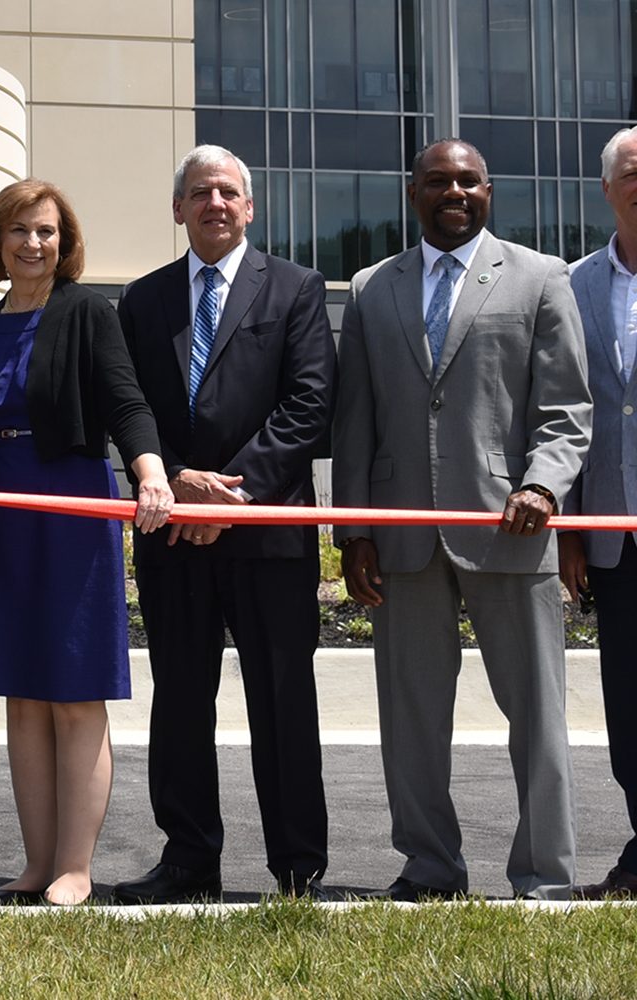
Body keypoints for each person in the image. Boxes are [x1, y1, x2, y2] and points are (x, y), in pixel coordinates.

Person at [333, 138, 589, 901]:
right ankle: (429, 868)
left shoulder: (542, 277)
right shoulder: (372, 287)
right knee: (411, 721)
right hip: (403, 537)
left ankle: (545, 877)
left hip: (514, 531)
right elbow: (355, 423)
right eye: (438, 181)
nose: (454, 192)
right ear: (412, 192)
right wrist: (353, 532)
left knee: (538, 717)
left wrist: (543, 487)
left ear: (490, 191)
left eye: (468, 181)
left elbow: (567, 409)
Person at [111, 145, 335, 904]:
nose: (215, 203)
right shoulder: (141, 302)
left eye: (228, 192)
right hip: (172, 528)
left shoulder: (299, 289)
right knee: (178, 697)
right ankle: (188, 859)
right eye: (200, 192)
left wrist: (229, 497)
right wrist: (174, 480)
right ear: (178, 209)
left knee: (282, 697)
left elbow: (308, 407)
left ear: (249, 208)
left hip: (267, 532)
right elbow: (129, 406)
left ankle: (298, 867)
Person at [0, 178, 173, 907]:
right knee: (23, 695)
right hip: (0, 509)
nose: (33, 243)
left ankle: (76, 867)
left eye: (46, 231)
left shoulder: (87, 312)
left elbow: (124, 400)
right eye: (19, 231)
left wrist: (151, 473)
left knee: (74, 693)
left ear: (64, 241)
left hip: (72, 503)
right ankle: (35, 865)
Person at [557, 126, 637, 900]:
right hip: (612, 533)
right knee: (629, 701)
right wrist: (572, 523)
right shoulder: (573, 284)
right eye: (632, 173)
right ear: (607, 188)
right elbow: (566, 407)